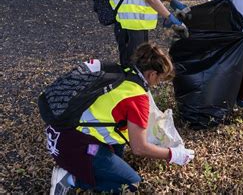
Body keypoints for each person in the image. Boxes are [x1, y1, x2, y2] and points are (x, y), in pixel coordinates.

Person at [48, 42, 195, 193]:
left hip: (60, 132)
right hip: (76, 146)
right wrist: (174, 154)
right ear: (152, 74)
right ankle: (70, 178)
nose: (157, 84)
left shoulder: (121, 72)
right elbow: (139, 148)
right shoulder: (138, 97)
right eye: (159, 79)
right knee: (131, 184)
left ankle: (87, 166)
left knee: (117, 158)